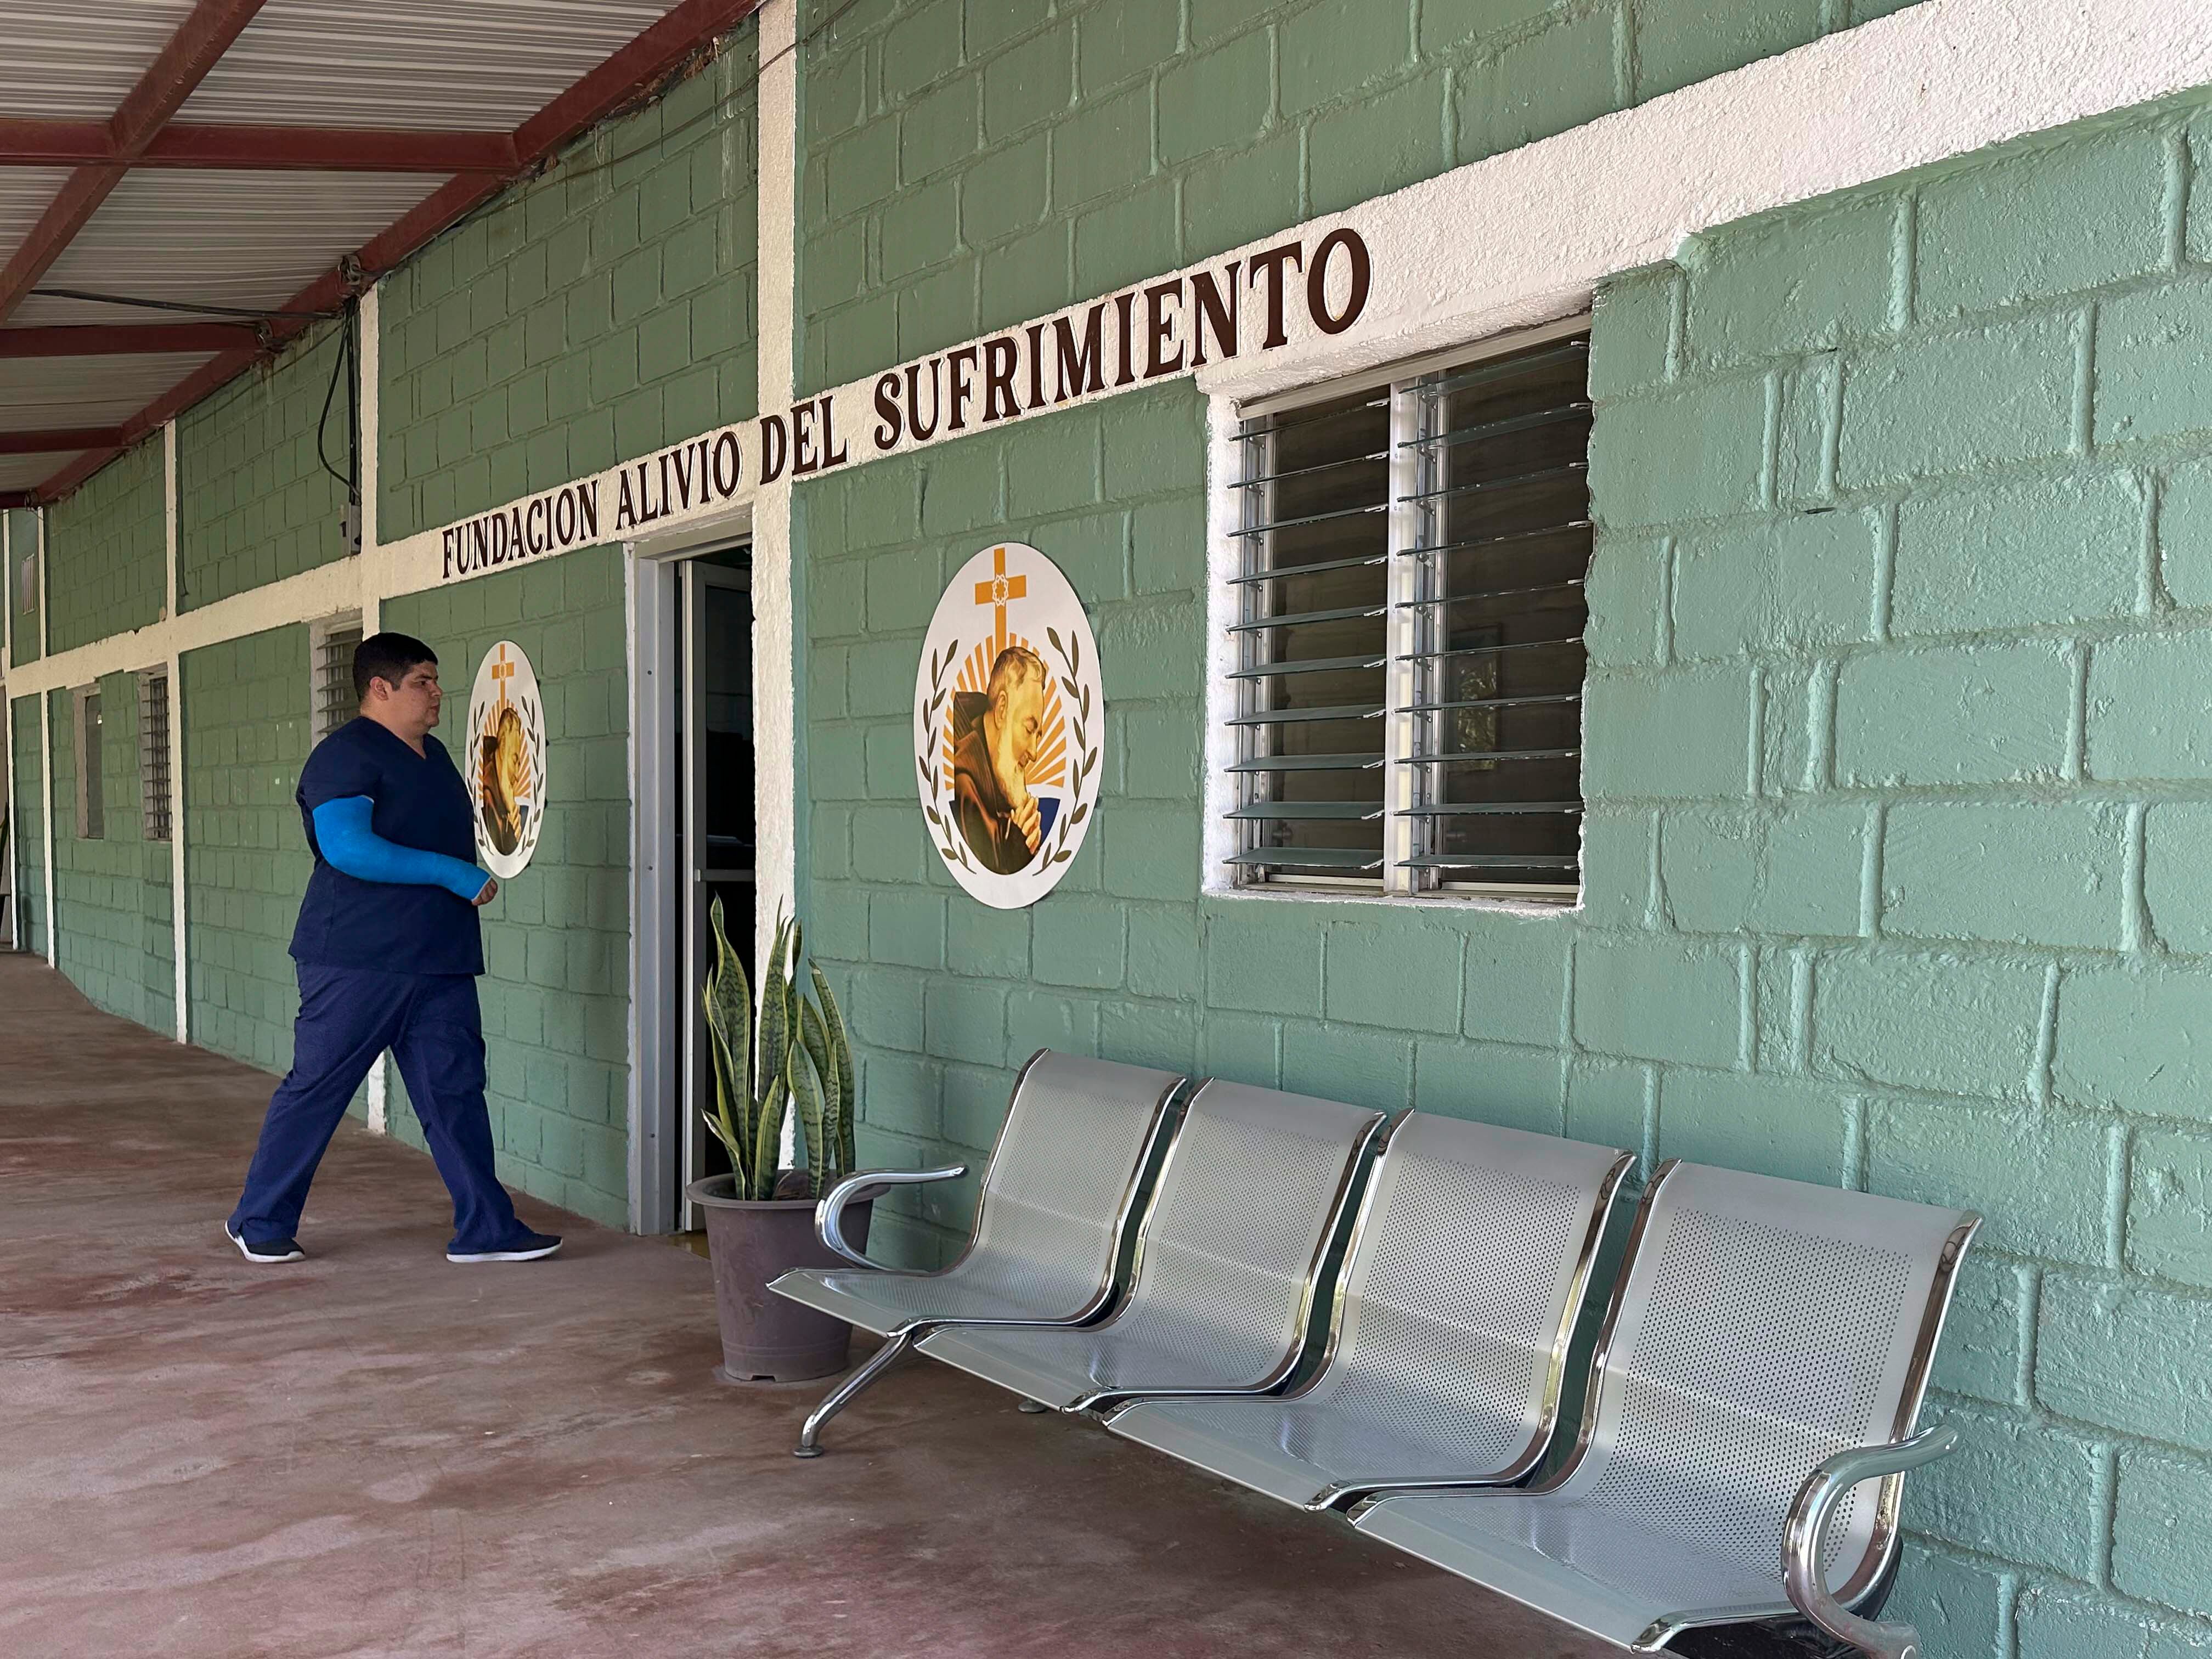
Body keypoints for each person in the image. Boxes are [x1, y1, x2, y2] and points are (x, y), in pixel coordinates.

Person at [224, 632, 561, 1267]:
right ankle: (259, 1219)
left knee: (455, 1093)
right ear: (380, 688)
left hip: (439, 960)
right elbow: (348, 848)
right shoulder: (345, 756)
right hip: (356, 959)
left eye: (436, 682)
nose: (438, 694)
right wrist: (453, 874)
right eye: (423, 682)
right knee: (319, 1087)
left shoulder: (434, 757)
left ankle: (487, 1228)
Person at [951, 644, 1047, 874]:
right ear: (1002, 709)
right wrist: (1015, 849)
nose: (1034, 753)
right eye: (1028, 729)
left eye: (1038, 736)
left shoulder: (1000, 771)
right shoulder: (963, 779)